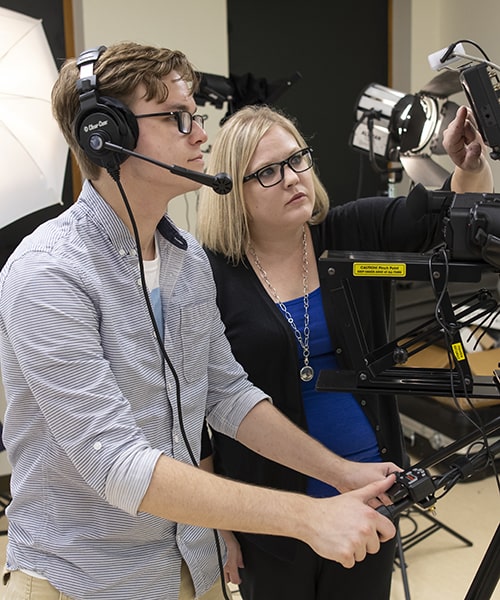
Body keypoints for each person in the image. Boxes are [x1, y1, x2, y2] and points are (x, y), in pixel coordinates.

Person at [0, 41, 403, 600]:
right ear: (106, 135)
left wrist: (339, 472)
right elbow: (117, 464)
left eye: (197, 116)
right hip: (83, 578)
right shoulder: (47, 274)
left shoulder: (185, 258)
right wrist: (307, 517)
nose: (201, 136)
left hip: (191, 566)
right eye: (177, 118)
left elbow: (226, 394)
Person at [196, 103, 494, 599]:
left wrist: (468, 167)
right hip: (272, 515)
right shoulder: (211, 275)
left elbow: (453, 227)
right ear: (233, 192)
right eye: (267, 172)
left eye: (297, 160)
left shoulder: (350, 230)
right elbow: (196, 411)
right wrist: (218, 524)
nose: (293, 178)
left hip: (371, 499)